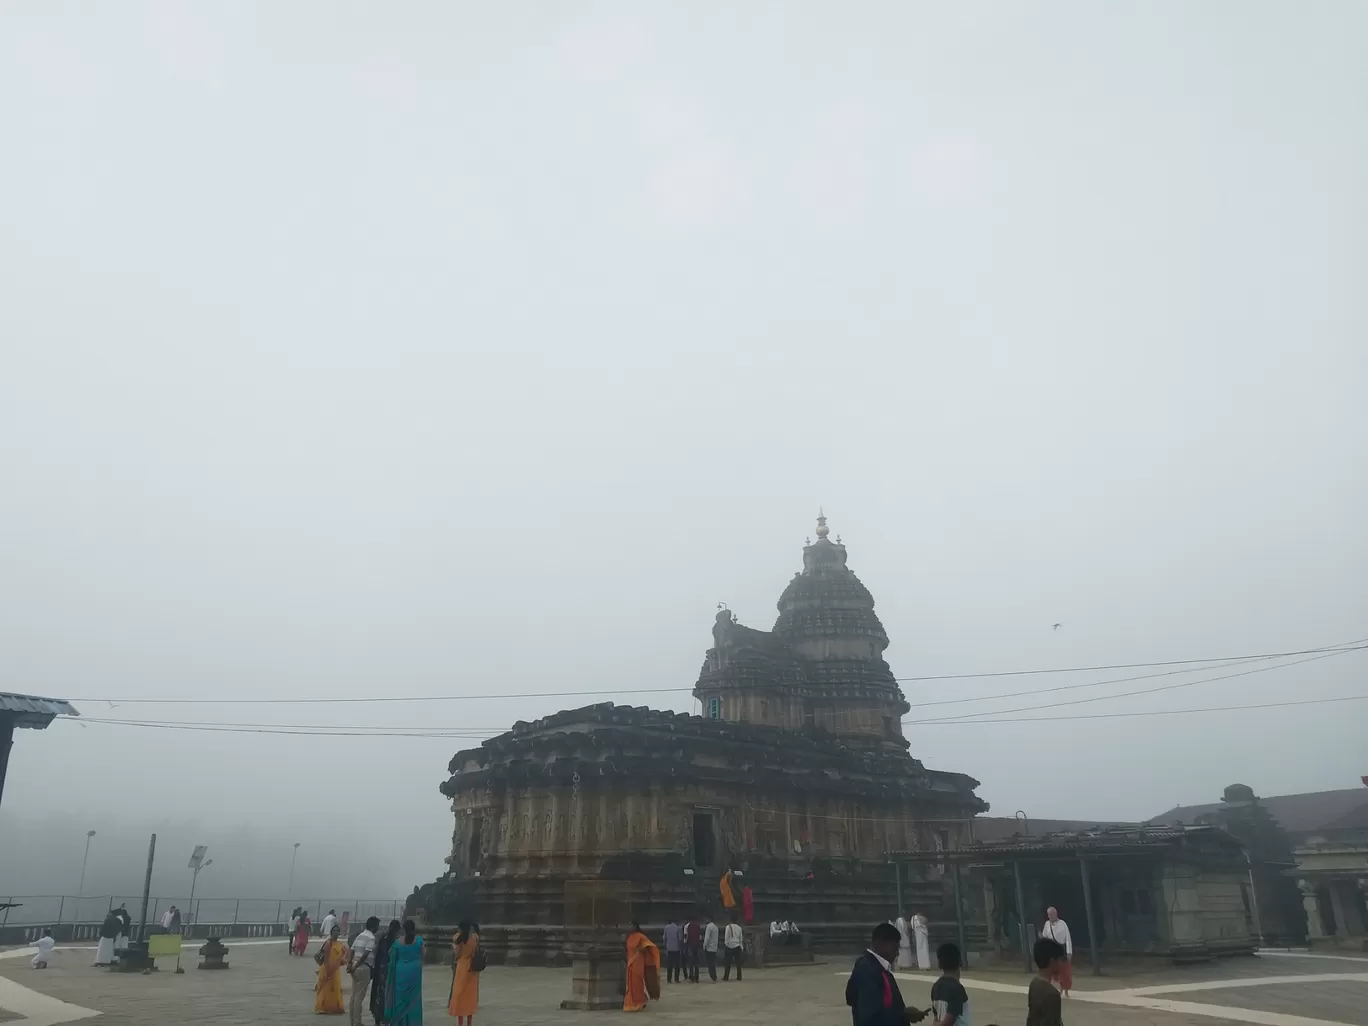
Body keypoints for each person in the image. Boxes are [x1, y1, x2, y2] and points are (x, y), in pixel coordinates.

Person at [845, 922, 928, 1026]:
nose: (897, 953)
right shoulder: (868, 970)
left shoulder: (875, 967)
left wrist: (904, 1012)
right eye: (895, 948)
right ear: (882, 944)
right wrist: (904, 1015)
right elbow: (869, 1017)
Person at [385, 920, 424, 1026]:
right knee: (414, 999)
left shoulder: (397, 942)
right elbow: (422, 955)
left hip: (401, 971)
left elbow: (391, 956)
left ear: (403, 929)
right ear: (414, 928)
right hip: (415, 971)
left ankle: (399, 1022)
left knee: (400, 998)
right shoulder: (419, 940)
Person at [1027, 937, 1067, 1026]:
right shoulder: (1052, 994)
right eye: (1060, 960)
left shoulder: (1034, 984)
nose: (1062, 964)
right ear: (1052, 962)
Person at [447, 919, 480, 1024]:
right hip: (472, 967)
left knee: (459, 993)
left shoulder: (458, 938)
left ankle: (460, 1021)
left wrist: (454, 947)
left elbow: (457, 954)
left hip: (462, 966)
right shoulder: (475, 937)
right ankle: (469, 1021)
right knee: (470, 994)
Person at [930, 942, 971, 1026]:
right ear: (960, 962)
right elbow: (948, 1022)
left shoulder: (936, 986)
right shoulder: (957, 988)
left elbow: (936, 1016)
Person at [623, 921, 660, 1012]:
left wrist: (639, 949)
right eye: (628, 925)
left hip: (638, 961)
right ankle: (633, 1001)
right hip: (630, 961)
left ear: (635, 926)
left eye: (630, 925)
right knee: (631, 983)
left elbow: (649, 946)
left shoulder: (640, 936)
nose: (628, 927)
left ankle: (639, 1002)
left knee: (637, 982)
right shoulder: (629, 937)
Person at [349, 916, 379, 1026]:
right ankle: (357, 1022)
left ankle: (352, 1021)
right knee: (359, 997)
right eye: (377, 926)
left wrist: (350, 964)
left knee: (353, 995)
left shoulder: (360, 936)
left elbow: (351, 950)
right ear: (373, 926)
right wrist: (356, 965)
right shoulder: (371, 938)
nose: (378, 929)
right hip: (363, 967)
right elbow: (366, 954)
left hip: (354, 967)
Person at [314, 924, 349, 1015]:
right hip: (327, 969)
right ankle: (323, 1007)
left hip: (335, 970)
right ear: (331, 932)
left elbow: (345, 956)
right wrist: (326, 970)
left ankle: (335, 1007)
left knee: (335, 988)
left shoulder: (340, 944)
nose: (336, 932)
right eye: (334, 931)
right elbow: (326, 959)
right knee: (325, 988)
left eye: (338, 930)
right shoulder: (328, 943)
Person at [371, 920, 401, 1026]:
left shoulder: (383, 940)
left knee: (379, 995)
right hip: (390, 971)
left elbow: (377, 956)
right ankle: (385, 1018)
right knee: (388, 995)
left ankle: (378, 1019)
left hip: (380, 970)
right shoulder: (396, 942)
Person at [1040, 907, 1073, 996]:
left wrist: (1069, 952)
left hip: (1060, 951)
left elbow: (1068, 938)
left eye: (1051, 914)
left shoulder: (1063, 924)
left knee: (1063, 972)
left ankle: (1064, 991)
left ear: (1056, 914)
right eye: (1048, 915)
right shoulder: (1047, 924)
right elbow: (1044, 937)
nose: (1050, 916)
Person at [662, 918, 682, 984]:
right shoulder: (678, 928)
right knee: (677, 965)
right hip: (676, 948)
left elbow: (664, 938)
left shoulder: (666, 928)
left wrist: (665, 946)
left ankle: (669, 979)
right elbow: (680, 939)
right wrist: (680, 947)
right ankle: (676, 979)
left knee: (669, 965)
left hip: (669, 948)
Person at [683, 917, 701, 982]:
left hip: (690, 945)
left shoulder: (687, 926)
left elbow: (685, 936)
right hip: (696, 945)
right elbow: (699, 936)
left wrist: (685, 945)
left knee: (691, 961)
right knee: (696, 961)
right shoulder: (697, 926)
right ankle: (697, 977)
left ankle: (691, 976)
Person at [702, 915, 719, 982]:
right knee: (712, 962)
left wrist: (704, 945)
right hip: (714, 947)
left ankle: (713, 976)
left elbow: (707, 937)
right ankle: (714, 975)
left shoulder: (709, 927)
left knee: (710, 963)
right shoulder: (715, 927)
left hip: (709, 948)